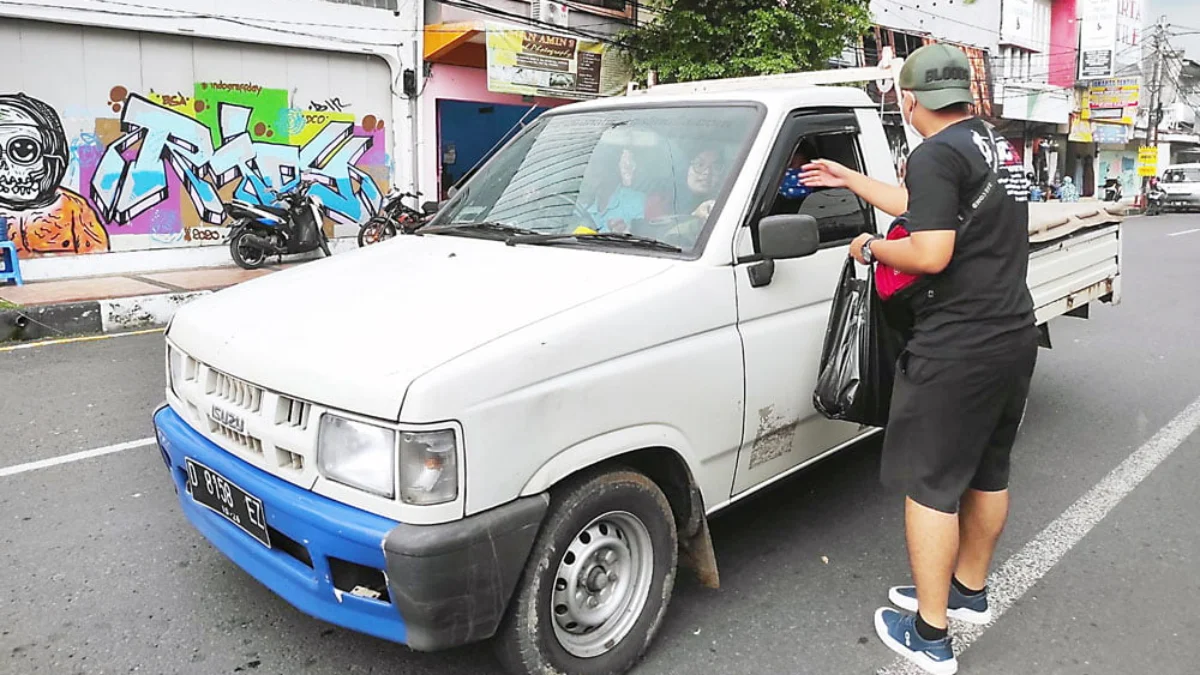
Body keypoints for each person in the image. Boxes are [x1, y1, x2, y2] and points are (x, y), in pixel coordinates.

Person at [801, 43, 1038, 675]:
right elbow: (927, 207)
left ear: (908, 101)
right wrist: (851, 178)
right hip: (1011, 331)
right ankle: (969, 593)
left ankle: (931, 635)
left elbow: (930, 250)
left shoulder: (934, 153)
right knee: (989, 471)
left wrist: (873, 247)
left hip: (957, 344)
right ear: (962, 94)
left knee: (930, 485)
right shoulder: (993, 145)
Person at [582, 147, 646, 233]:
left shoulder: (636, 201)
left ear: (612, 169)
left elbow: (644, 237)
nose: (591, 171)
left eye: (597, 165)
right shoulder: (582, 205)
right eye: (589, 165)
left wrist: (624, 231)